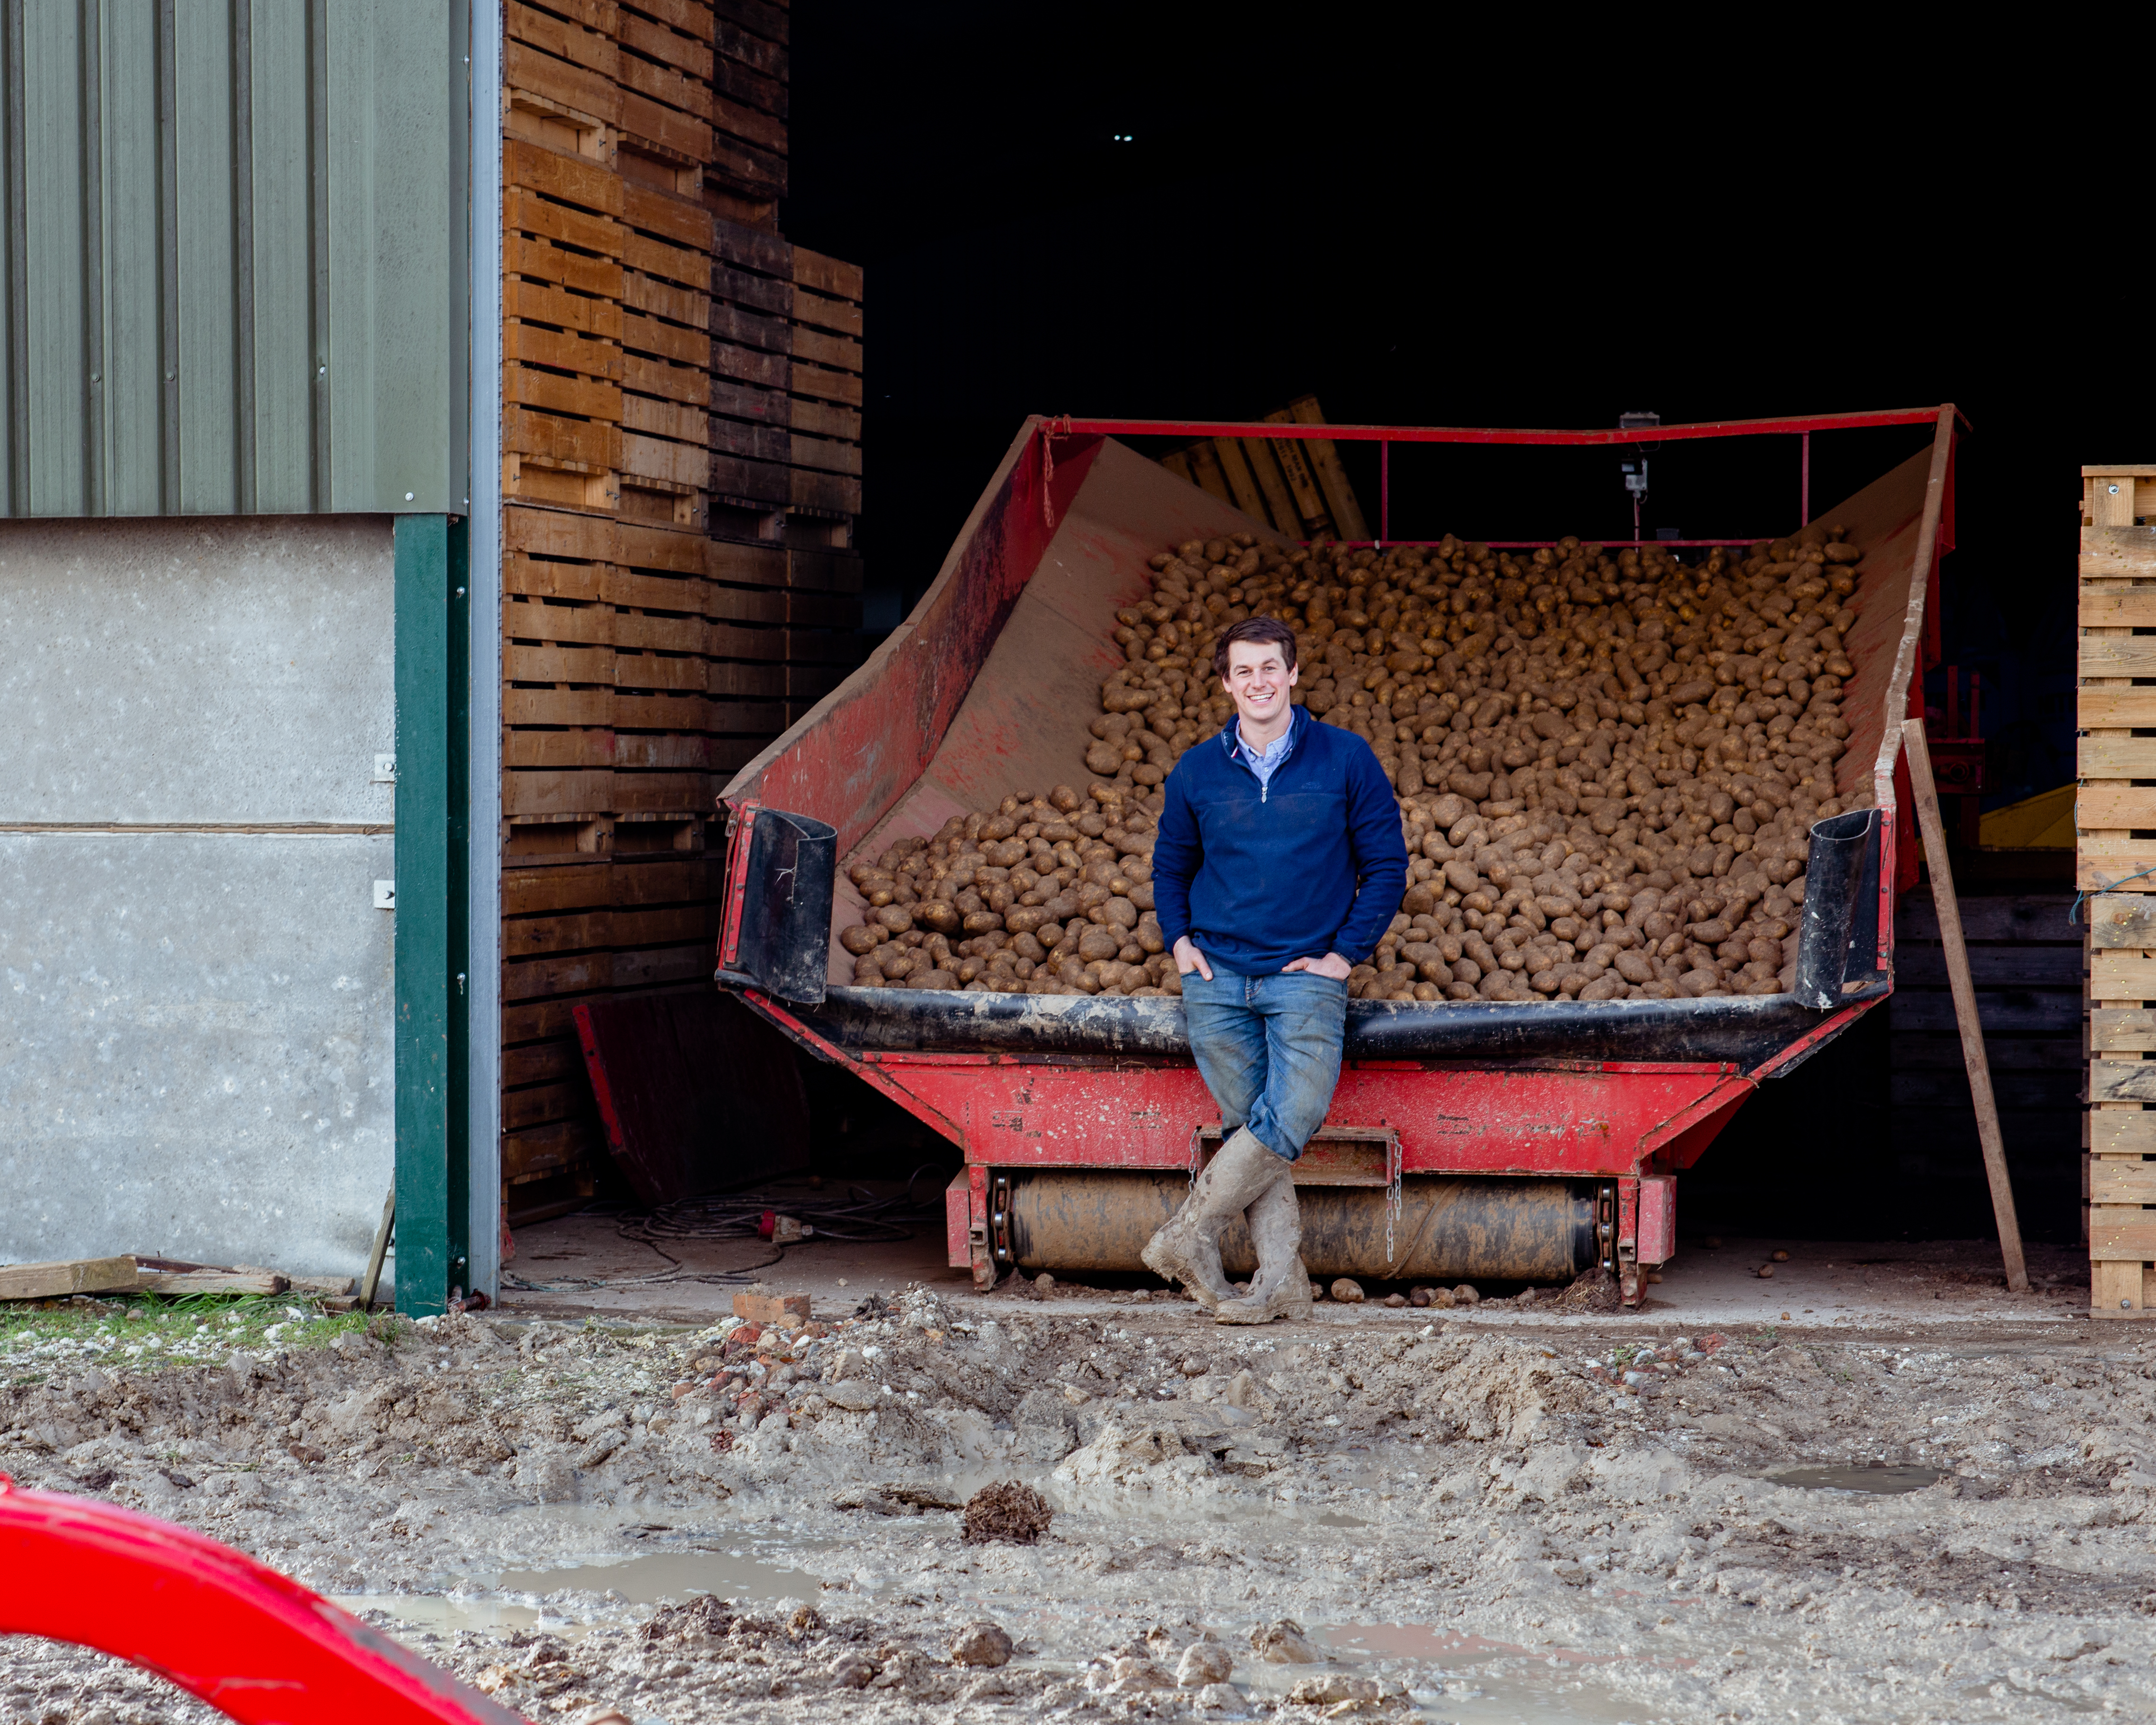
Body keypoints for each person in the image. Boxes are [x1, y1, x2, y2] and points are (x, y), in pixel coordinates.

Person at [1141, 615, 1408, 1323]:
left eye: (1270, 668)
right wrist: (1179, 944)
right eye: (1243, 671)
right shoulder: (1196, 769)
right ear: (1226, 683)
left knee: (1292, 1114)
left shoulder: (1346, 759)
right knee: (1247, 1129)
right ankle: (1281, 1286)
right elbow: (1171, 867)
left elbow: (1386, 866)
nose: (1258, 682)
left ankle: (1186, 1233)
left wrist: (1342, 954)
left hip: (1303, 977)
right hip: (1216, 977)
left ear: (1292, 674)